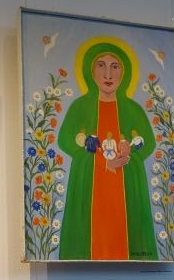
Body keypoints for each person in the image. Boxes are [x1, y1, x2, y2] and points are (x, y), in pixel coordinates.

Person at [58, 40, 157, 260]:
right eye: (101, 65)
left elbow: (148, 142)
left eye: (115, 66)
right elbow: (65, 140)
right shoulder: (80, 107)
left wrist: (131, 150)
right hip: (90, 185)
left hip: (126, 186)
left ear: (124, 72)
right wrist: (94, 155)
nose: (108, 74)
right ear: (90, 71)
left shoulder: (133, 109)